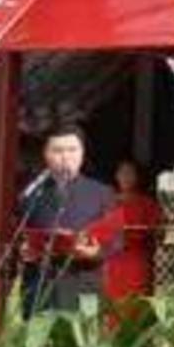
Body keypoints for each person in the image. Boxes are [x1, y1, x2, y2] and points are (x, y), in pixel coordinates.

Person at [17, 124, 120, 312]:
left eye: (72, 150)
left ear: (82, 153)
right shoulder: (32, 194)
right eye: (58, 151)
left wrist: (93, 252)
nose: (66, 157)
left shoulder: (101, 193)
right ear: (45, 154)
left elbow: (116, 241)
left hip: (83, 286)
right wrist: (24, 249)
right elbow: (16, 235)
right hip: (40, 286)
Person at [101, 160, 162, 302]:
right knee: (113, 304)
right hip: (112, 262)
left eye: (130, 173)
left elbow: (160, 233)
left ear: (137, 177)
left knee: (138, 301)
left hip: (137, 260)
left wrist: (149, 231)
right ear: (116, 176)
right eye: (123, 173)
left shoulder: (147, 203)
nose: (126, 177)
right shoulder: (106, 202)